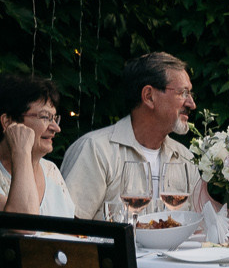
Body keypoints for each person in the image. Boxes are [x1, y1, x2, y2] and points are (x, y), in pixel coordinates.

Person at [62, 52, 205, 221]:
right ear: (149, 96)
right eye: (183, 93)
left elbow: (199, 226)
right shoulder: (95, 150)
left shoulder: (185, 158)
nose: (192, 104)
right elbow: (68, 226)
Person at [0, 74, 76, 217]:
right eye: (45, 117)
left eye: (54, 118)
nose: (56, 128)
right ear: (8, 122)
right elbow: (24, 223)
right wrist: (21, 152)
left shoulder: (51, 170)